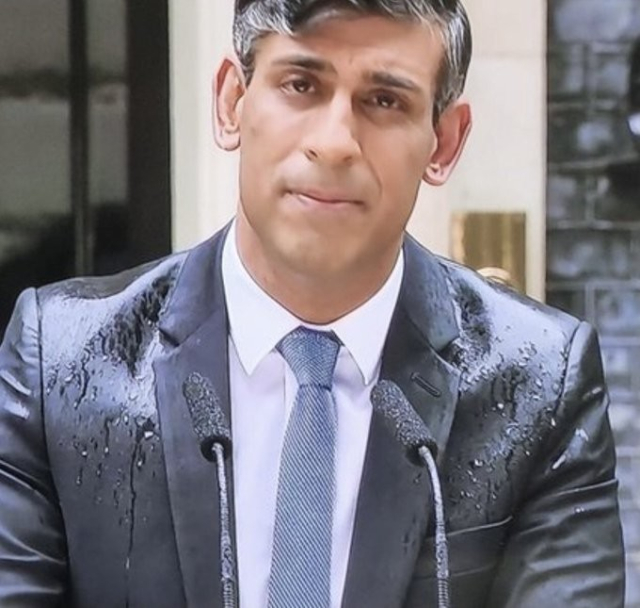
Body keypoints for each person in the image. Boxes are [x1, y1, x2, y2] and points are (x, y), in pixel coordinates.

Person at [0, 1, 625, 607]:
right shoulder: (59, 361)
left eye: (384, 100)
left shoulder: (542, 382)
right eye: (301, 84)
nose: (334, 143)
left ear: (443, 142)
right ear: (230, 102)